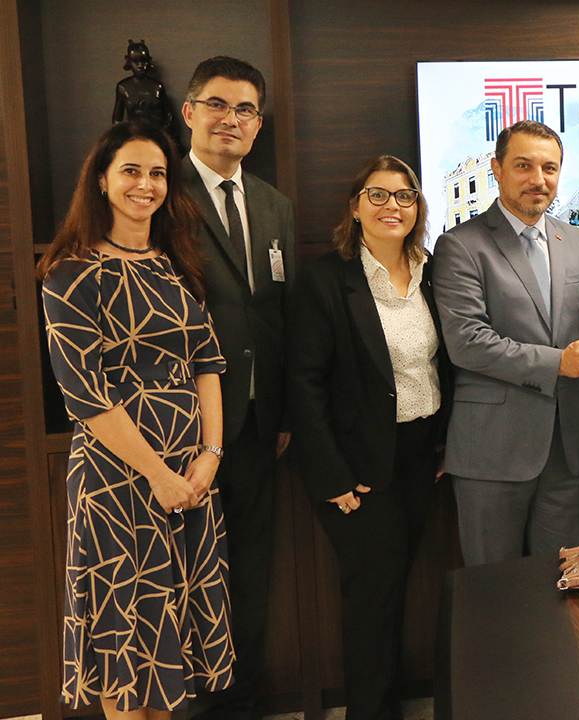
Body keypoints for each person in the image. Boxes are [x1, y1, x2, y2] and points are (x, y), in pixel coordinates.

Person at [38, 120, 232, 716]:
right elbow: (85, 394)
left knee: (169, 633)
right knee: (122, 636)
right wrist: (158, 474)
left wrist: (209, 456)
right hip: (117, 480)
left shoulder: (175, 264)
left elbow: (207, 363)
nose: (145, 185)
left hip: (189, 477)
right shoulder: (69, 273)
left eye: (157, 174)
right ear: (101, 180)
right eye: (130, 171)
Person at [288, 156, 451, 720]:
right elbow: (303, 383)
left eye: (404, 196)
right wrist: (331, 474)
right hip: (356, 465)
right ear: (355, 207)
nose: (392, 206)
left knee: (399, 588)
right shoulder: (325, 280)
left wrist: (444, 444)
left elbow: (444, 365)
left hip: (419, 455)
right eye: (377, 195)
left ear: (418, 208)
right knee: (373, 597)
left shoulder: (433, 272)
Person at [433, 120, 579, 566]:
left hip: (570, 449)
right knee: (494, 586)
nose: (539, 179)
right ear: (497, 169)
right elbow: (467, 342)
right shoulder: (460, 245)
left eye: (550, 168)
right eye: (523, 166)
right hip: (492, 451)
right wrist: (558, 363)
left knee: (564, 582)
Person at [181, 56, 295, 720]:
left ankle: (239, 701)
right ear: (189, 112)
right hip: (180, 428)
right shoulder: (159, 195)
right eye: (218, 105)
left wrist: (281, 412)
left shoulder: (274, 205)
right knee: (186, 574)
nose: (232, 119)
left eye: (246, 109)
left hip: (254, 423)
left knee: (249, 572)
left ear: (258, 124)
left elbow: (275, 315)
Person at [112, 40, 172, 129]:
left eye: (144, 61)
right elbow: (117, 120)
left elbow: (168, 115)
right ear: (128, 60)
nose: (140, 65)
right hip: (134, 134)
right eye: (135, 61)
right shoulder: (123, 87)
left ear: (149, 60)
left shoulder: (157, 86)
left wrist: (163, 132)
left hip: (155, 133)